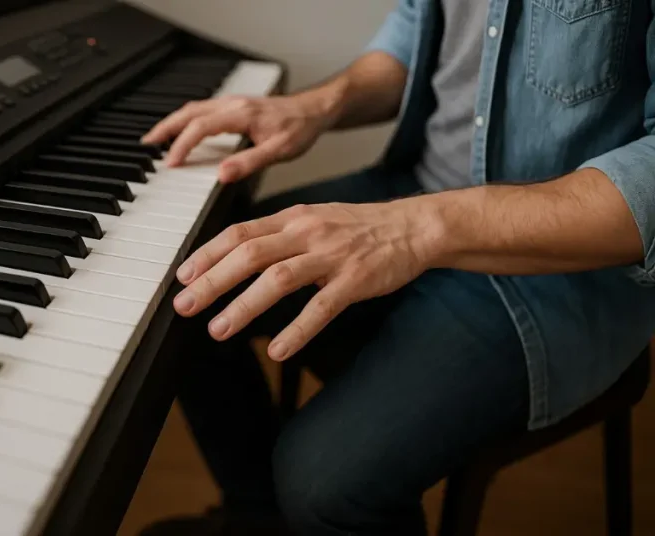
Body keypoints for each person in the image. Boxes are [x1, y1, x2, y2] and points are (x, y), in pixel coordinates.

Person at [137, 1, 655, 535]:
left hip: (557, 275)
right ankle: (258, 514)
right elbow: (417, 32)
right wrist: (318, 105)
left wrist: (415, 229)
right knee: (176, 285)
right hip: (411, 193)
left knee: (323, 486)